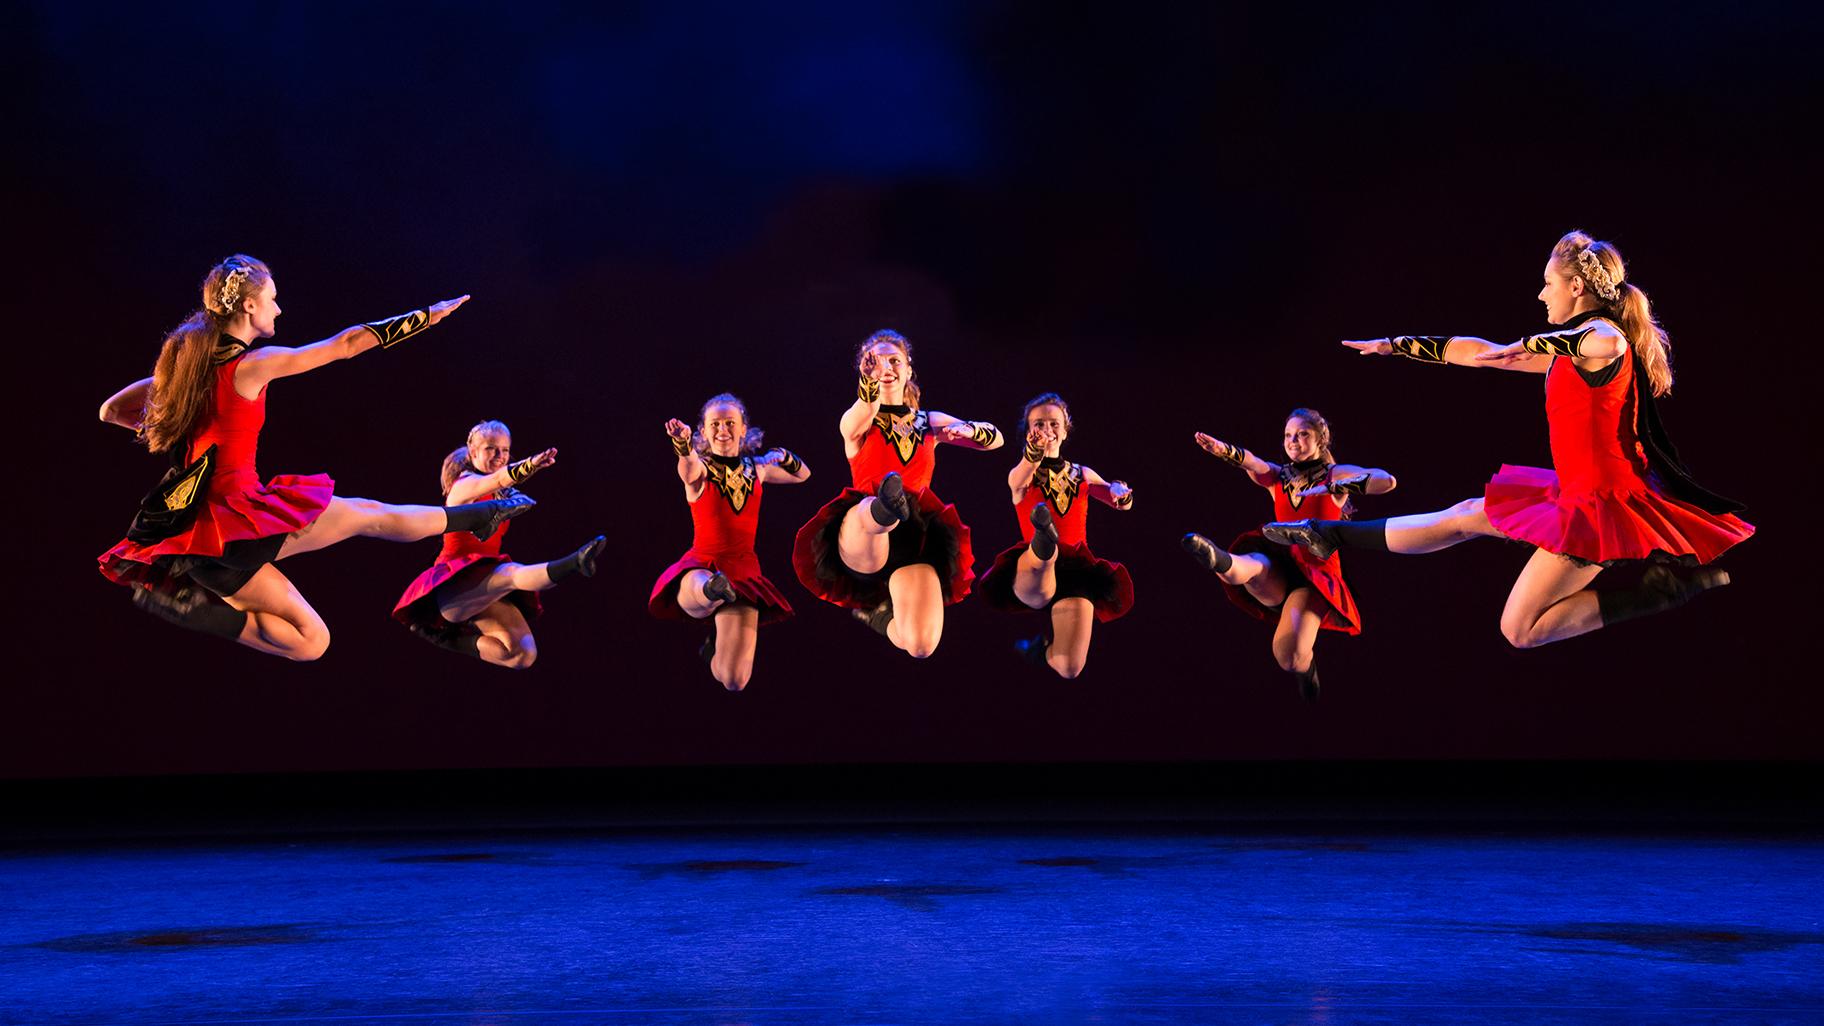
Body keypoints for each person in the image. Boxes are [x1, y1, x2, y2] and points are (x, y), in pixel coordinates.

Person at [1264, 230, 1753, 650]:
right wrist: (1397, 345)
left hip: (1601, 510)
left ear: (1577, 286)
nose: (1542, 295)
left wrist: (1530, 344)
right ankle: (1328, 533)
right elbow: (1480, 354)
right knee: (1466, 520)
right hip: (1575, 493)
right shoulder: (1571, 350)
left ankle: (1658, 592)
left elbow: (1605, 343)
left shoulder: (1603, 336)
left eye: (1548, 284)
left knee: (1518, 627)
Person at [98, 254, 529, 660]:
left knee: (312, 640)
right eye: (272, 299)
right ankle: (478, 515)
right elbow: (344, 345)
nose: (278, 309)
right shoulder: (250, 366)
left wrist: (172, 429)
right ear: (249, 306)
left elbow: (111, 411)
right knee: (371, 516)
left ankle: (198, 612)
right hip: (237, 523)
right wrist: (427, 315)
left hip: (199, 543)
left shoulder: (183, 371)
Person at [791, 330, 1003, 658]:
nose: (887, 367)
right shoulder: (862, 420)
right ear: (866, 370)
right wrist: (869, 384)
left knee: (920, 646)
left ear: (908, 370)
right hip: (863, 532)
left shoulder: (929, 422)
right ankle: (887, 506)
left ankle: (878, 616)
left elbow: (997, 439)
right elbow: (852, 421)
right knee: (873, 509)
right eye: (877, 362)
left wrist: (969, 429)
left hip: (916, 537)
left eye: (895, 361)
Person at [1182, 409, 1395, 700]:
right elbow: (1254, 463)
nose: (1293, 441)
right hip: (1282, 563)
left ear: (1320, 440)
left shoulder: (1334, 474)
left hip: (1315, 576)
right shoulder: (1279, 477)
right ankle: (1219, 559)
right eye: (1288, 436)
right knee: (1254, 566)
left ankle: (1306, 668)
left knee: (1288, 656)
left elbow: (1386, 481)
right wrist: (1223, 450)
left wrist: (1336, 486)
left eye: (1302, 434)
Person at [393, 420, 604, 668]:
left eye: (505, 450)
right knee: (510, 574)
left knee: (522, 654)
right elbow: (494, 482)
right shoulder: (463, 485)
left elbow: (503, 488)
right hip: (453, 583)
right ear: (473, 453)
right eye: (491, 449)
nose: (499, 456)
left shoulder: (499, 493)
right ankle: (574, 563)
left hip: (482, 583)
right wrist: (529, 466)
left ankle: (448, 638)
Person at [650, 394, 808, 691]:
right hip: (703, 564)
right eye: (715, 424)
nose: (723, 429)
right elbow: (688, 469)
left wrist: (783, 456)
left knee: (734, 681)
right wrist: (683, 445)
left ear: (743, 429)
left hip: (744, 571)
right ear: (704, 432)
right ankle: (712, 590)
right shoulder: (702, 470)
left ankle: (711, 649)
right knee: (702, 585)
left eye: (730, 423)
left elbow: (803, 475)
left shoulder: (757, 470)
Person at [978, 393, 1135, 679]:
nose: (1047, 430)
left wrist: (1120, 494)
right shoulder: (1024, 475)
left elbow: (1117, 498)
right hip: (1034, 569)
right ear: (1028, 432)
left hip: (1076, 571)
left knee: (1070, 667)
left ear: (1065, 431)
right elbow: (1018, 478)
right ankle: (1044, 538)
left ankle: (1042, 650)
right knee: (1044, 556)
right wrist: (1033, 453)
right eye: (1039, 424)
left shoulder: (1082, 474)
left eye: (1054, 423)